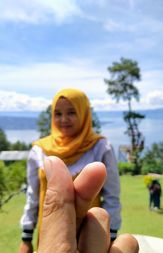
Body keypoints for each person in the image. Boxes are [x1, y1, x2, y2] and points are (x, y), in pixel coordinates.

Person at [18, 88, 121, 253]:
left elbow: (112, 197)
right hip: (49, 232)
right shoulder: (40, 150)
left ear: (84, 113)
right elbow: (33, 195)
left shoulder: (100, 147)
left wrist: (111, 235)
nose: (64, 119)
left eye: (72, 112)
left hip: (90, 233)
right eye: (58, 113)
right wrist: (26, 237)